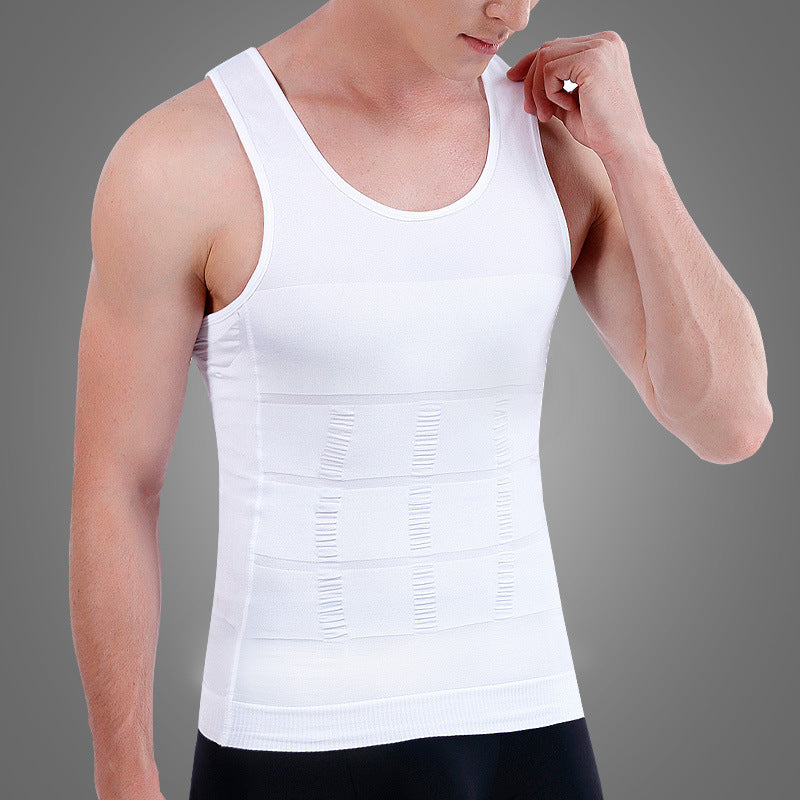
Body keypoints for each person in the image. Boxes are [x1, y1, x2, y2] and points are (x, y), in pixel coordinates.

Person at [69, 1, 772, 799]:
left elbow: (731, 423)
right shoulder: (184, 158)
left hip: (534, 728)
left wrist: (634, 152)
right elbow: (118, 487)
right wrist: (124, 773)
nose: (513, 12)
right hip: (294, 741)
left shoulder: (557, 141)